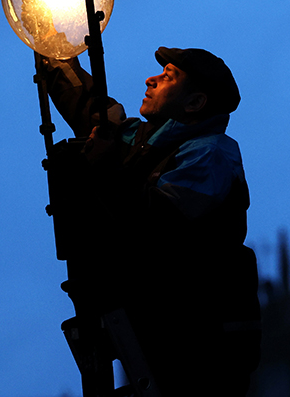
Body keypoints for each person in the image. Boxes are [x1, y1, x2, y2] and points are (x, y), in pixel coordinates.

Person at [43, 47, 261, 396]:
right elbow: (93, 112)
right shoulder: (143, 140)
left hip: (196, 348)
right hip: (157, 333)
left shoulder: (210, 154)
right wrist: (52, 52)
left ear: (194, 103)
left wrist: (104, 168)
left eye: (168, 76)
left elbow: (158, 224)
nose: (151, 78)